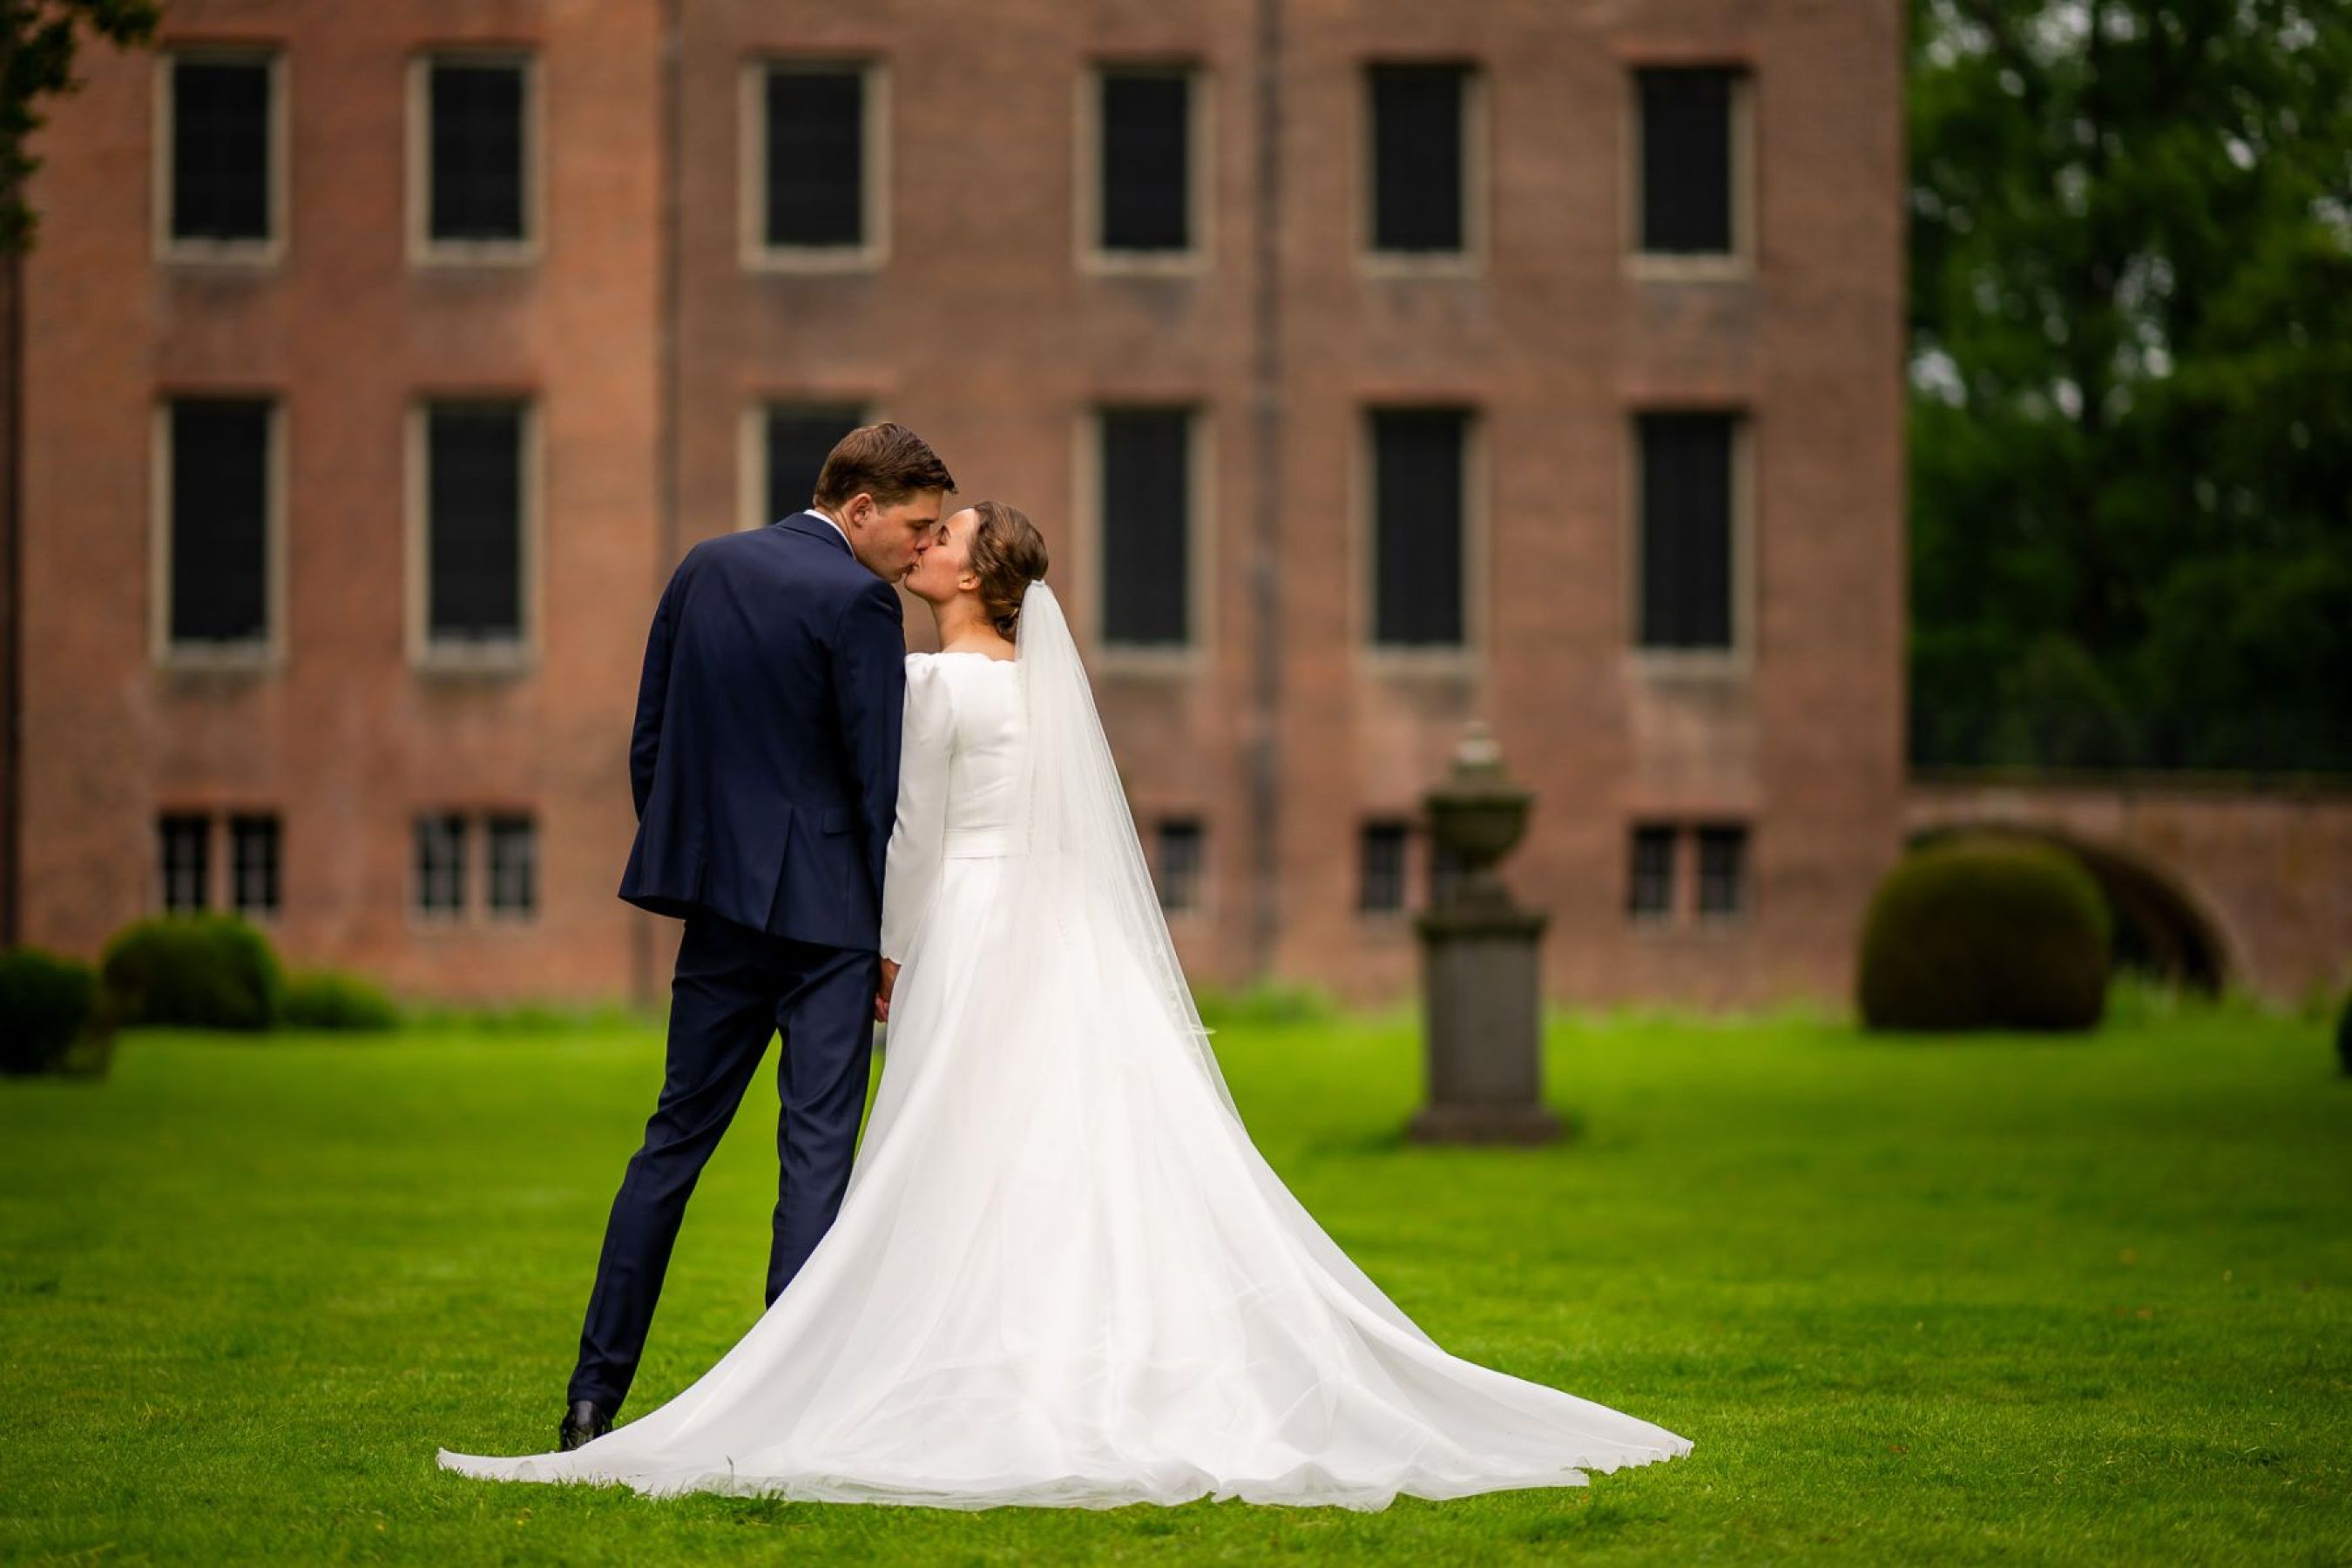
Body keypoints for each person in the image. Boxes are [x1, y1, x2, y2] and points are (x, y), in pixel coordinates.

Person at [439, 501, 1693, 1508]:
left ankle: (847, 1376)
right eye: (923, 531)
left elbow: (912, 831)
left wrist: (885, 948)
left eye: (948, 540)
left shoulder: (933, 686)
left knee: (945, 1153)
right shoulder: (1039, 688)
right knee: (1054, 1156)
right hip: (1059, 934)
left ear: (984, 577)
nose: (925, 550)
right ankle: (1035, 1359)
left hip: (964, 932)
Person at [551, 423, 952, 1450]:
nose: (919, 550)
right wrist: (885, 933)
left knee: (670, 1146)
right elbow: (878, 783)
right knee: (814, 1159)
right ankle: (787, 1412)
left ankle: (592, 1399)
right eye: (913, 528)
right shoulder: (860, 603)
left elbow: (653, 739)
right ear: (857, 508)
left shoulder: (705, 567)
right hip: (826, 926)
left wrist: (702, 862)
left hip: (720, 917)